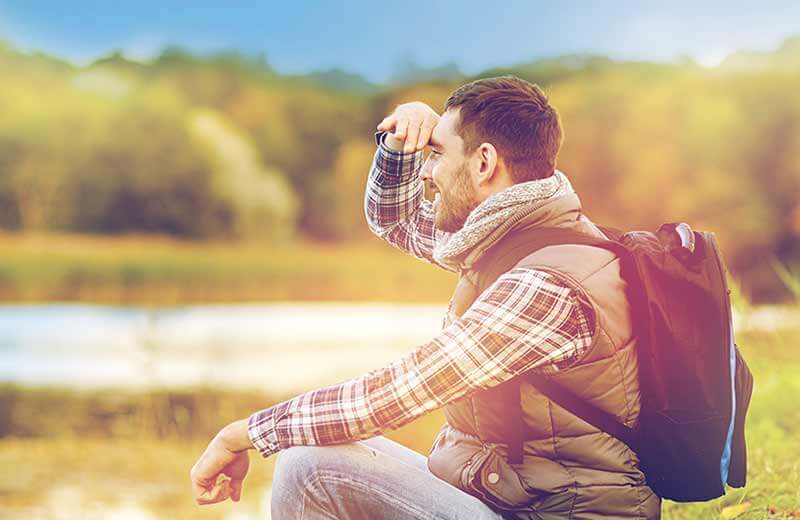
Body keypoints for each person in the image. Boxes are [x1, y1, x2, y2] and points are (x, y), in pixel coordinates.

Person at [190, 76, 661, 519]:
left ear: (484, 163)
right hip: (509, 496)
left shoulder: (546, 286)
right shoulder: (515, 238)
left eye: (437, 155)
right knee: (309, 458)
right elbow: (397, 221)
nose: (430, 172)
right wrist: (400, 145)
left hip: (554, 512)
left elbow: (395, 394)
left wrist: (243, 434)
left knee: (308, 467)